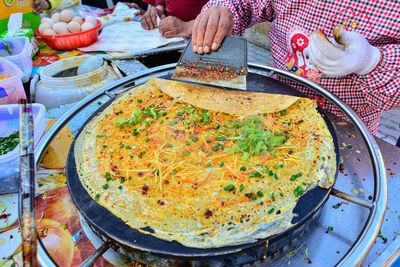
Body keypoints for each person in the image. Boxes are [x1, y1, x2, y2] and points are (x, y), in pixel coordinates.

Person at [191, 1, 400, 134]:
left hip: (348, 124)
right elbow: (246, 2)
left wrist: (372, 60)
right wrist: (224, 8)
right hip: (276, 104)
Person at [140, 0, 208, 38]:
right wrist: (159, 9)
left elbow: (217, 10)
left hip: (199, 34)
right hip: (170, 33)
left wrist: (187, 26)